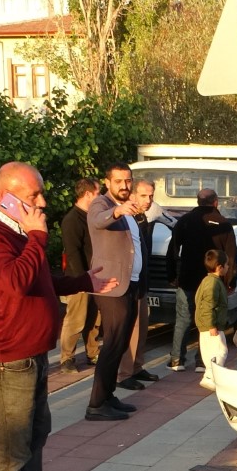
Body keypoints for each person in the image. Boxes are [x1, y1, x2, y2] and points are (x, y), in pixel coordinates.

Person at [0, 161, 117, 471]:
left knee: (36, 433)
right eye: (33, 196)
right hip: (4, 359)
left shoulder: (16, 231)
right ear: (6, 197)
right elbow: (16, 282)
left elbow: (39, 279)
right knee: (12, 445)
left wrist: (84, 281)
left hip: (29, 354)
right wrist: (36, 238)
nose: (42, 202)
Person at [85, 162, 145, 420]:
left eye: (128, 181)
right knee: (111, 345)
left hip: (130, 284)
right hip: (110, 286)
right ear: (108, 182)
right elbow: (98, 221)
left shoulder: (130, 207)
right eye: (118, 181)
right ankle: (96, 405)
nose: (124, 186)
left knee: (120, 343)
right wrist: (119, 211)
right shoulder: (101, 204)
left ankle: (108, 396)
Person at [166, 188, 237, 372]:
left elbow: (172, 249)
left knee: (183, 318)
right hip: (213, 281)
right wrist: (230, 281)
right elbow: (231, 256)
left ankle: (177, 360)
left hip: (187, 278)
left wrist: (172, 275)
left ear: (198, 202)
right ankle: (201, 361)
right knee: (208, 319)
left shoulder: (185, 221)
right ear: (216, 202)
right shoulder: (224, 223)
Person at [116, 179, 164, 388]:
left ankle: (136, 366)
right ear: (132, 196)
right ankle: (124, 373)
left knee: (143, 324)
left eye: (151, 195)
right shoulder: (124, 217)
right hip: (127, 281)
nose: (148, 200)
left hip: (143, 279)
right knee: (130, 327)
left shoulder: (143, 218)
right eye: (144, 195)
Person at [58, 177, 102, 373]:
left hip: (96, 277)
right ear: (87, 194)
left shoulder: (92, 216)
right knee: (76, 319)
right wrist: (81, 281)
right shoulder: (72, 220)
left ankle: (92, 353)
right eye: (98, 193)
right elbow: (73, 252)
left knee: (95, 319)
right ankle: (67, 358)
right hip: (80, 279)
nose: (100, 197)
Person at [195, 249, 231, 390]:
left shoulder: (208, 280)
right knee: (220, 350)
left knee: (211, 350)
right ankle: (210, 377)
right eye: (226, 265)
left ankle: (211, 376)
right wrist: (211, 325)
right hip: (211, 325)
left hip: (206, 324)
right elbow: (208, 305)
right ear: (219, 267)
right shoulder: (213, 283)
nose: (228, 267)